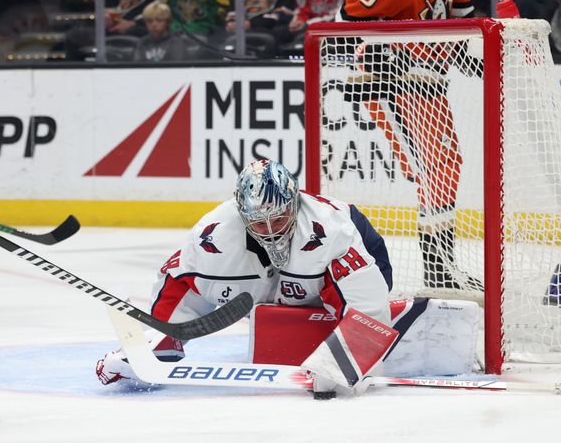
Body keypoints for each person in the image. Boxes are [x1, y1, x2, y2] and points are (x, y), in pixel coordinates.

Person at [96, 159, 393, 393]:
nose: (271, 230)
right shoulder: (211, 238)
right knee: (272, 297)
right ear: (242, 215)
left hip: (362, 257)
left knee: (346, 297)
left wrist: (341, 365)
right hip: (272, 281)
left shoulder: (332, 231)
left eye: (277, 219)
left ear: (295, 204)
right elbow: (179, 285)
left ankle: (327, 314)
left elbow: (370, 307)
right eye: (259, 223)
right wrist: (146, 350)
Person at [340, 0, 478, 291]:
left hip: (429, 83)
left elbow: (460, 18)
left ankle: (441, 269)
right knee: (432, 171)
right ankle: (439, 272)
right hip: (387, 84)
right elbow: (346, 23)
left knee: (449, 167)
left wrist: (471, 59)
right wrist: (385, 58)